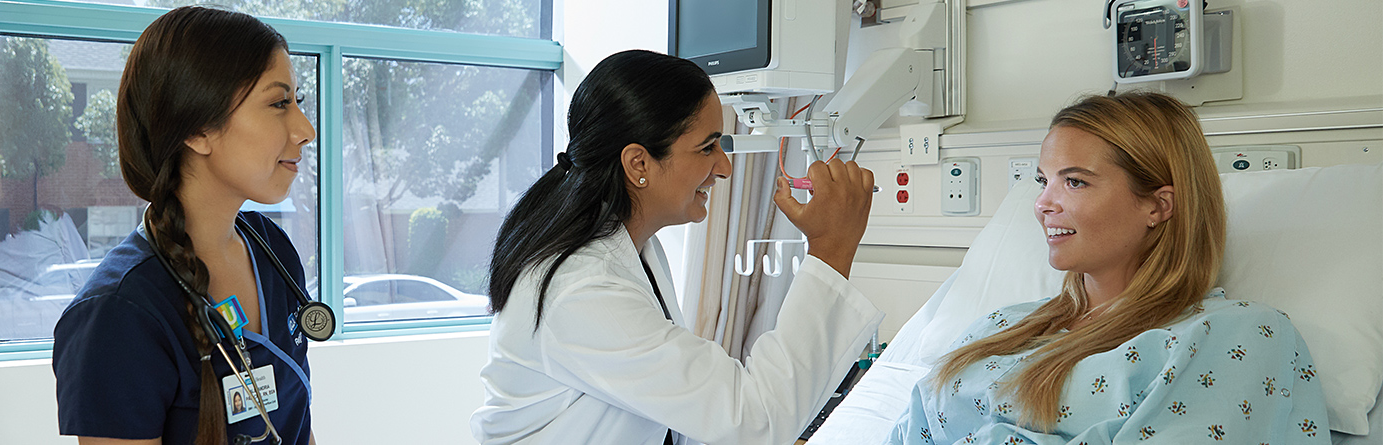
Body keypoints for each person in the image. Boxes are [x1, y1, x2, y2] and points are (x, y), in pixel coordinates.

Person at [471, 49, 884, 445]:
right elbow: (754, 418)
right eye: (707, 147)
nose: (724, 167)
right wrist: (831, 249)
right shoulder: (582, 288)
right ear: (639, 164)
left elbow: (679, 409)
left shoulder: (630, 248)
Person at [888, 91, 1330, 444]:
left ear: (1158, 205)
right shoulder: (1002, 326)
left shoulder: (1236, 335)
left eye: (1074, 181)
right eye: (1044, 180)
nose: (1042, 204)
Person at [52, 7, 319, 445]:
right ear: (197, 130)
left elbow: (296, 425)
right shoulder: (118, 315)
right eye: (278, 103)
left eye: (298, 103)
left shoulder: (274, 252)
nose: (305, 129)